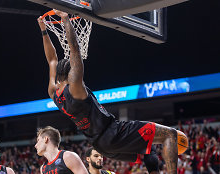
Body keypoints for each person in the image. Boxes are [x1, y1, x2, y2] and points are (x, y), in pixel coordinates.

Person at [37, 9, 177, 174]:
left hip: (101, 147)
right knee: (170, 135)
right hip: (113, 133)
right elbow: (75, 49)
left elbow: (52, 59)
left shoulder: (53, 93)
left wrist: (44, 30)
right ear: (70, 74)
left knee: (148, 152)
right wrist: (66, 19)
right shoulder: (75, 87)